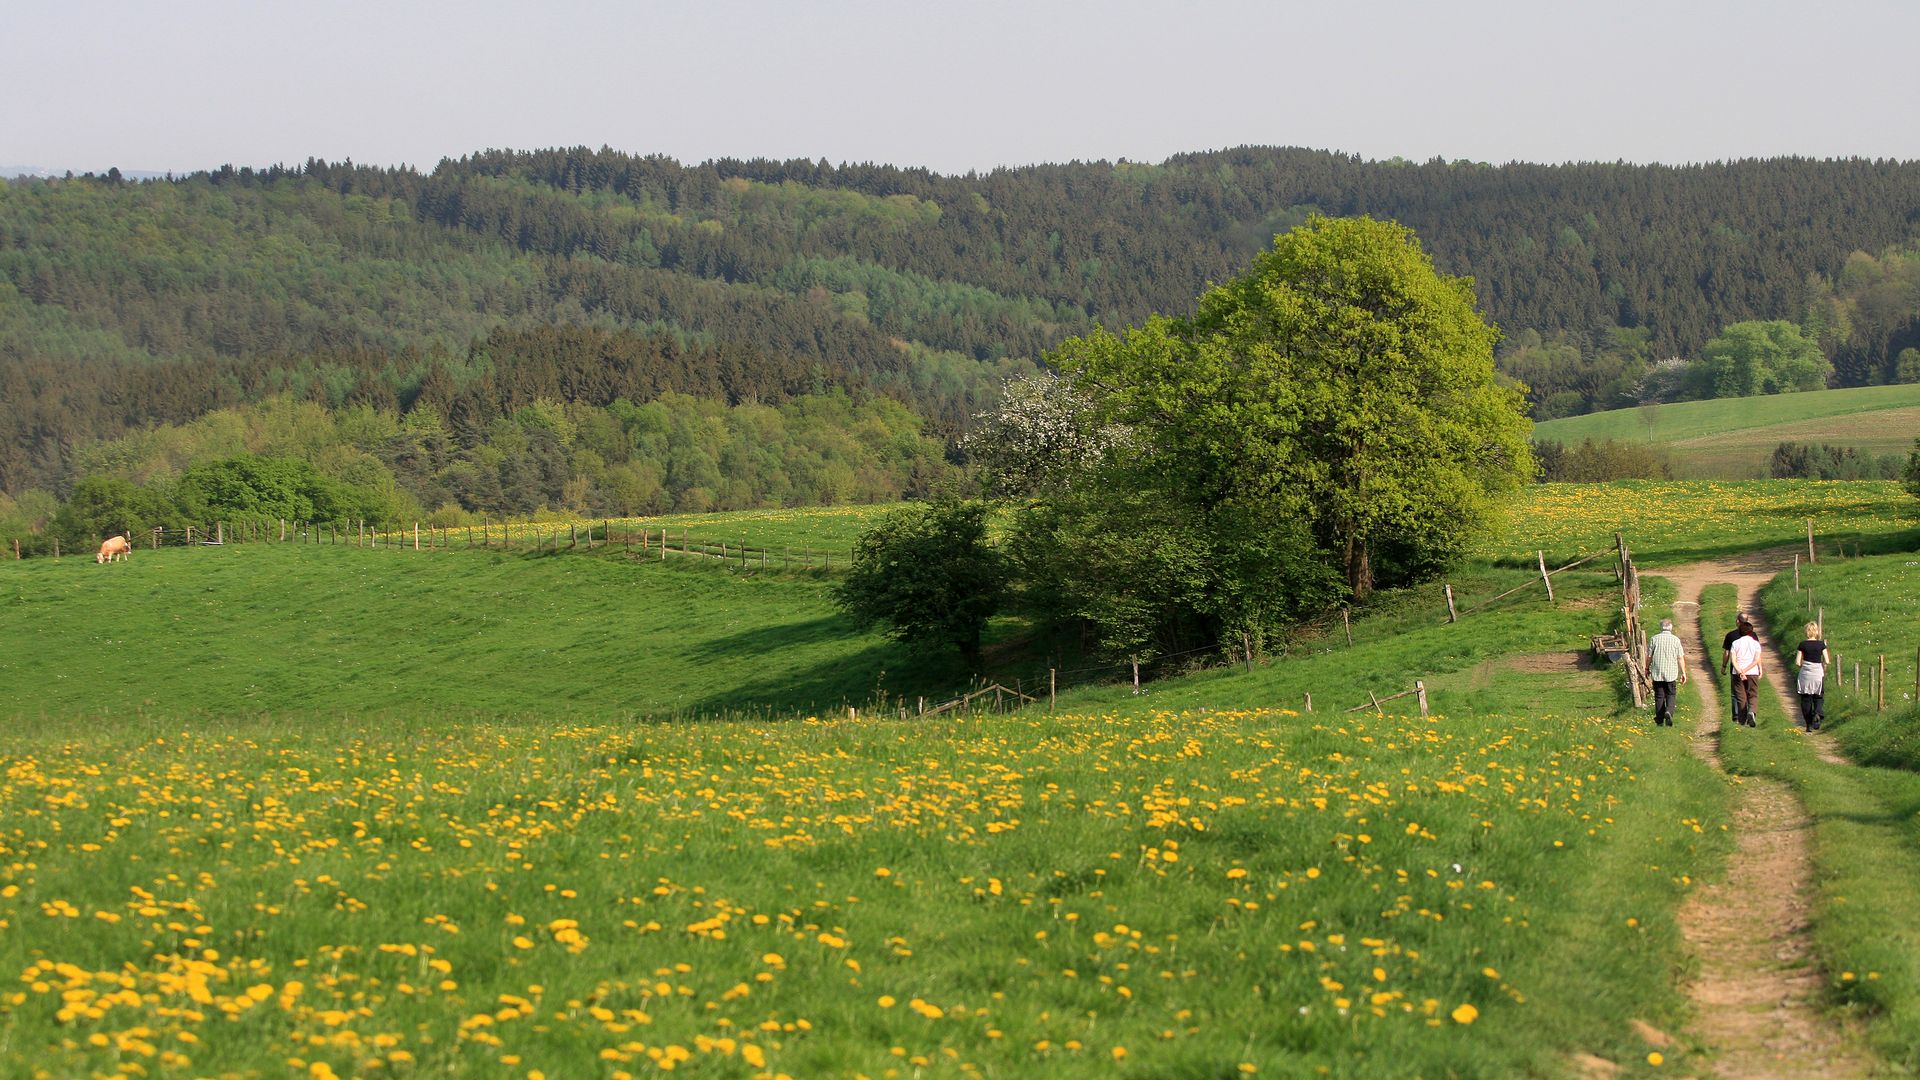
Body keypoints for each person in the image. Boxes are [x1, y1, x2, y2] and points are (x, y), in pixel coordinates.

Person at [1646, 618, 1688, 726]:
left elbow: (1649, 656)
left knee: (1659, 696)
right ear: (1671, 627)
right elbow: (1680, 657)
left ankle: (1659, 720)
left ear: (1661, 627)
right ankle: (1669, 711)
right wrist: (1683, 672)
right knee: (1671, 694)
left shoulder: (1654, 639)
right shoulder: (1675, 640)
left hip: (1657, 672)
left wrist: (1646, 668)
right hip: (1671, 672)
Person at [1726, 613, 1763, 727]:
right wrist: (1759, 669)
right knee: (1753, 694)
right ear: (1751, 632)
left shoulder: (1735, 643)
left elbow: (1733, 660)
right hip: (1752, 672)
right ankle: (1752, 712)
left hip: (1737, 673)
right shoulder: (1755, 643)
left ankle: (1742, 722)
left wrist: (1740, 671)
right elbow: (1757, 660)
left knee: (1741, 698)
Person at [1793, 620, 1830, 732]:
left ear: (1807, 632)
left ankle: (1808, 725)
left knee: (1806, 699)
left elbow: (1797, 662)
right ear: (1816, 632)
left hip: (1806, 673)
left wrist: (1804, 666)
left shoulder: (1802, 644)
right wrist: (1821, 665)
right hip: (1817, 673)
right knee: (1818, 696)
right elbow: (1827, 661)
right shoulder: (1821, 644)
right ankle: (1817, 713)